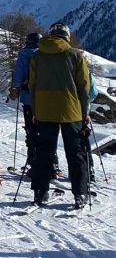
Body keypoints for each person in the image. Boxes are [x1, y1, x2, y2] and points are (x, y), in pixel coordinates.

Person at [28, 22, 91, 208]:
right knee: (75, 152)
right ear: (67, 36)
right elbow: (84, 87)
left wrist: (35, 110)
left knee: (44, 151)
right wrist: (84, 111)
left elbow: (32, 84)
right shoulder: (75, 55)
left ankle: (40, 191)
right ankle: (80, 193)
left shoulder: (37, 56)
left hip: (44, 110)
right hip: (71, 111)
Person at [10, 32, 42, 173]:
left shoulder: (25, 54)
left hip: (29, 98)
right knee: (45, 131)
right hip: (46, 99)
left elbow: (18, 77)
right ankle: (52, 163)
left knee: (31, 130)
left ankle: (33, 162)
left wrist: (16, 87)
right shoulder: (45, 53)